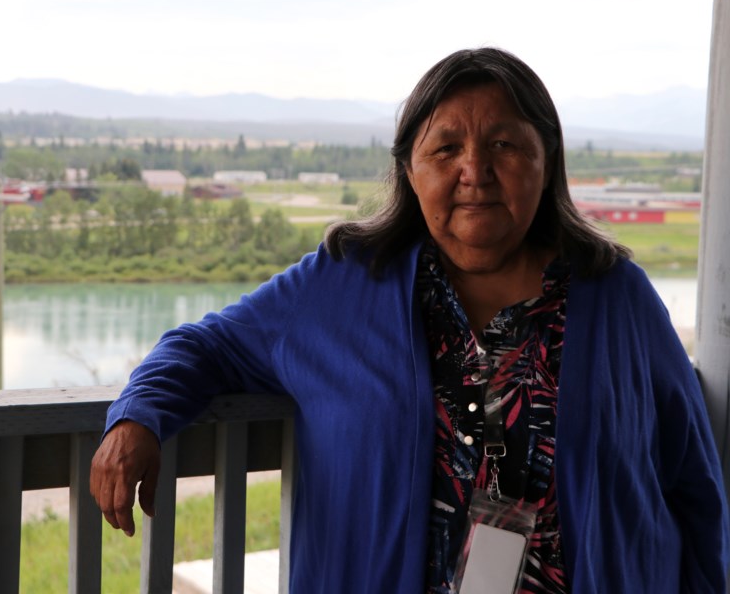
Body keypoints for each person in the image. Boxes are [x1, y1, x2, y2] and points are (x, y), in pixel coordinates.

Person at [90, 48, 729, 592]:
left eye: (504, 144)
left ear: (546, 158)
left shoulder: (617, 297)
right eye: (446, 147)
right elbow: (209, 346)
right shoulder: (343, 283)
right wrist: (137, 418)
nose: (473, 171)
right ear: (409, 168)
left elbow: (693, 483)